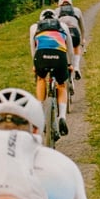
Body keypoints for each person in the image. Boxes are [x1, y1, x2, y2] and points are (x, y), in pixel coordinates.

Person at [30, 8, 72, 137]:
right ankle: (62, 117)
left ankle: (41, 112)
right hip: (59, 57)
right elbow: (69, 47)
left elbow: (33, 47)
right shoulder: (62, 25)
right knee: (61, 85)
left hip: (41, 56)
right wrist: (69, 64)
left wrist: (35, 65)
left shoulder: (34, 27)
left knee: (41, 79)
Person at [56, 0, 85, 81]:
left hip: (62, 33)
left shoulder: (56, 11)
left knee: (62, 49)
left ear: (59, 4)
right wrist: (83, 39)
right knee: (76, 47)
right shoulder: (77, 10)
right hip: (74, 32)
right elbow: (82, 28)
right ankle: (76, 67)